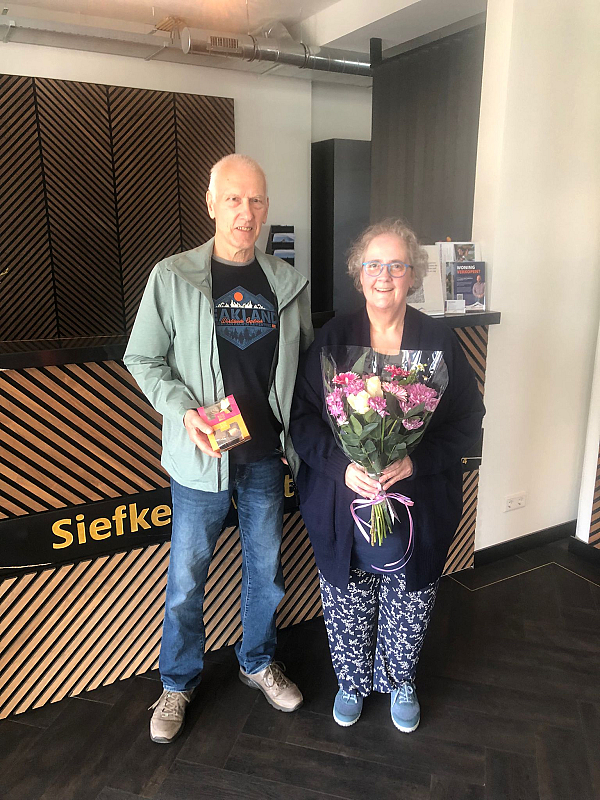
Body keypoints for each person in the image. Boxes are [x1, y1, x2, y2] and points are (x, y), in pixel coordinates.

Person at [124, 154, 312, 744]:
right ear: (211, 204)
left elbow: (305, 368)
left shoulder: (286, 283)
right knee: (186, 578)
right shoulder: (173, 276)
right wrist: (183, 412)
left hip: (265, 457)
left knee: (266, 572)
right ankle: (177, 682)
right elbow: (142, 357)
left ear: (266, 207)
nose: (245, 212)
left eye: (255, 200)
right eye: (233, 199)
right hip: (203, 456)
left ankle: (257, 662)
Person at [290, 219, 484, 732]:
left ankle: (401, 680)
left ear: (412, 276)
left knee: (410, 595)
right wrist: (342, 467)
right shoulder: (333, 339)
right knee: (347, 597)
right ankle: (351, 682)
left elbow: (469, 420)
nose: (384, 276)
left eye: (397, 265)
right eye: (374, 265)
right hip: (345, 502)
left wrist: (416, 462)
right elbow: (303, 420)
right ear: (358, 274)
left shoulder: (438, 342)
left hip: (418, 501)